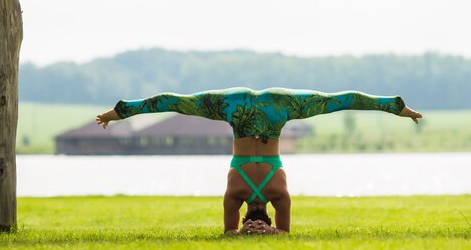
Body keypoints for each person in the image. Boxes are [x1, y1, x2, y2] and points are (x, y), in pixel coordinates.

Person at [96, 87, 423, 235]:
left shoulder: (278, 195)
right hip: (246, 105)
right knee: (339, 102)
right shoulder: (235, 196)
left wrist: (399, 108)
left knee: (338, 102)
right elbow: (233, 232)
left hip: (259, 106)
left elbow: (282, 230)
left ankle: (397, 105)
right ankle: (120, 109)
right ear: (250, 217)